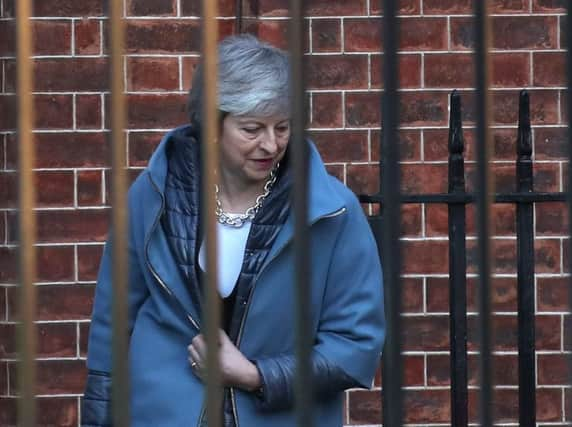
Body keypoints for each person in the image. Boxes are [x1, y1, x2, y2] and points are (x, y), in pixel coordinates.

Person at [81, 34, 385, 427]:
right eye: (252, 128)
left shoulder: (331, 213)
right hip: (159, 413)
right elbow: (114, 318)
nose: (270, 144)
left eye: (282, 127)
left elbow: (356, 345)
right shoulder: (154, 193)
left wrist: (256, 376)